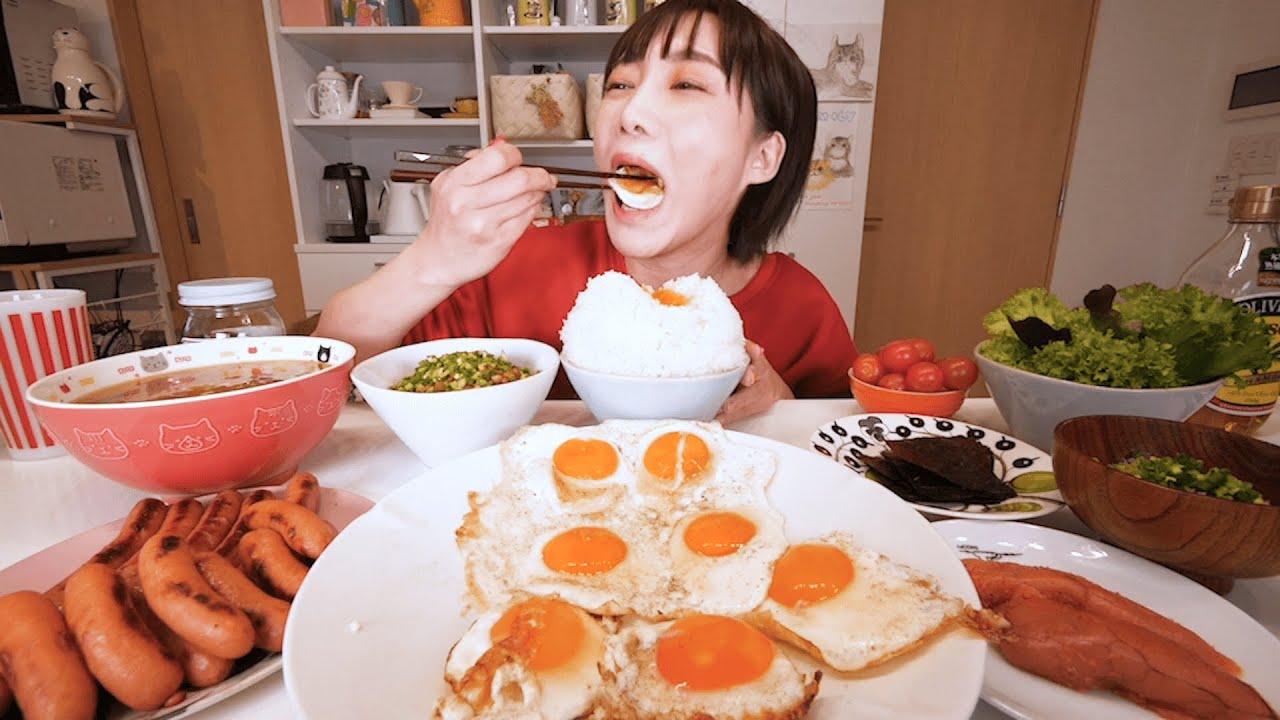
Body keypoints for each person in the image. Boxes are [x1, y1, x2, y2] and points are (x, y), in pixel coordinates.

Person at [315, 0, 856, 423]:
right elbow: (334, 370)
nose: (630, 112)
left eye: (687, 84)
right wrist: (433, 259)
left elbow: (835, 447)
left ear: (762, 157)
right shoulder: (513, 266)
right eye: (620, 84)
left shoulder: (802, 308)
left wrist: (777, 399)